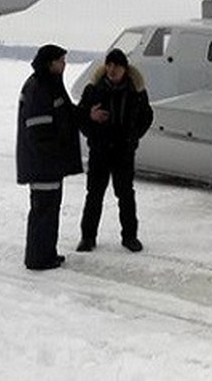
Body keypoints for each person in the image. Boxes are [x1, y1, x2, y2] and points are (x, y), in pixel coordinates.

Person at [76, 48, 154, 252]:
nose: (112, 69)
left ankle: (130, 237)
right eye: (109, 65)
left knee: (126, 195)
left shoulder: (136, 91)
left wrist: (133, 137)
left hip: (123, 152)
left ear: (124, 69)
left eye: (117, 66)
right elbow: (80, 116)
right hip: (100, 150)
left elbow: (147, 116)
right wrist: (90, 120)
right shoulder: (93, 90)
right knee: (94, 195)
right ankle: (87, 238)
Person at [16, 44, 83, 270]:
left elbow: (65, 113)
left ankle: (46, 253)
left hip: (50, 163)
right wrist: (56, 152)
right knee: (43, 211)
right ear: (50, 63)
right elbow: (38, 130)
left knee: (50, 210)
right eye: (61, 61)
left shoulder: (50, 85)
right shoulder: (39, 87)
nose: (64, 65)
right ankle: (38, 258)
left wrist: (85, 114)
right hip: (42, 163)